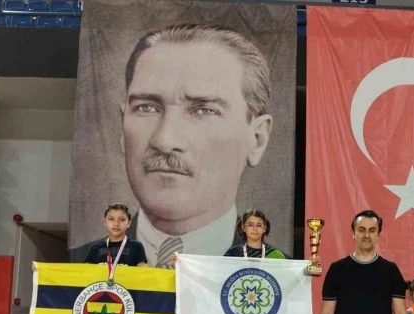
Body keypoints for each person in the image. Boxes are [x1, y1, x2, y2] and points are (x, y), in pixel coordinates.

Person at [74, 23, 274, 266]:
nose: (164, 140)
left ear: (257, 139)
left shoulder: (279, 274)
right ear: (122, 125)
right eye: (147, 108)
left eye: (204, 110)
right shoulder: (78, 269)